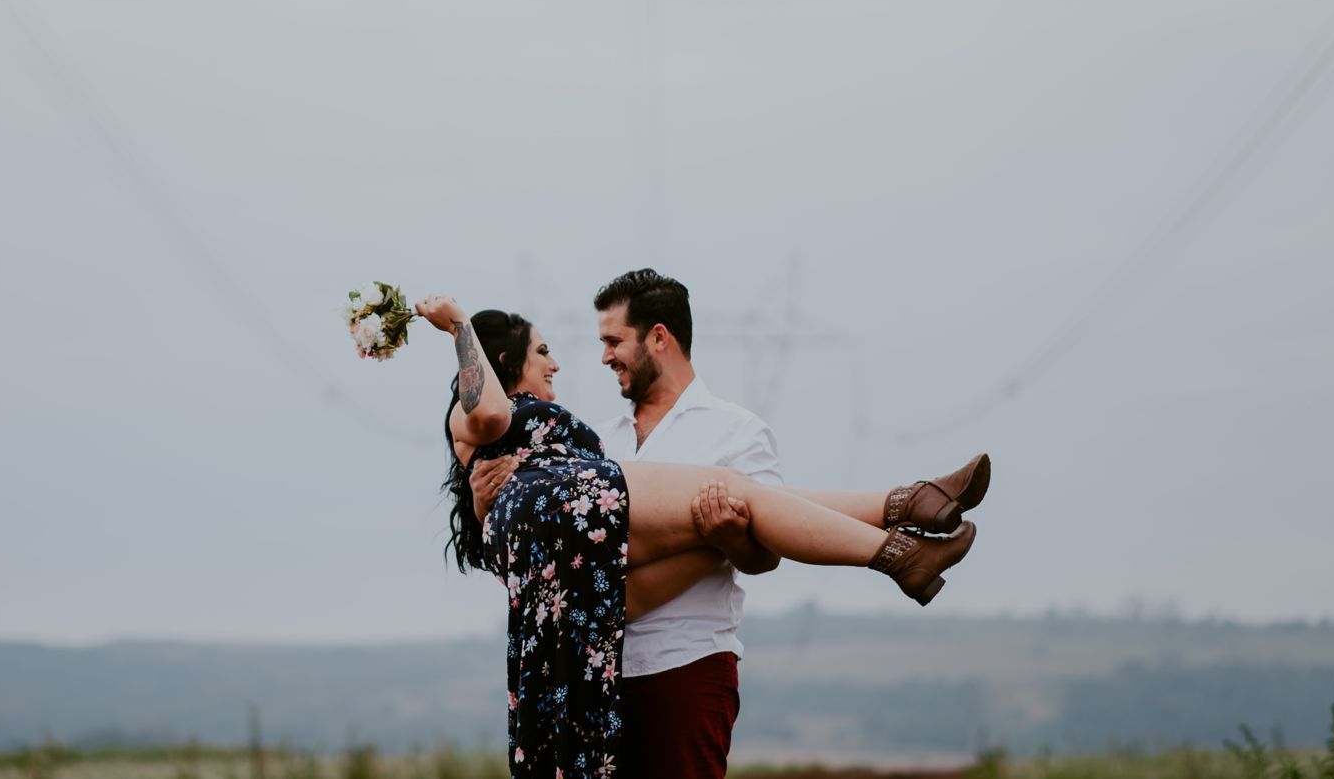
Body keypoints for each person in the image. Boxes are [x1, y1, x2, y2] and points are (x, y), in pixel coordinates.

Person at [424, 291, 989, 779]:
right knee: (735, 493)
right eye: (543, 350)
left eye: (613, 340)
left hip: (644, 622)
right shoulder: (484, 411)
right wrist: (457, 324)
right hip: (580, 552)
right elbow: (490, 420)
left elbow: (764, 551)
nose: (570, 362)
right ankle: (903, 534)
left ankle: (910, 508)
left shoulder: (731, 426)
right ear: (503, 359)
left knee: (737, 502)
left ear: (660, 338)